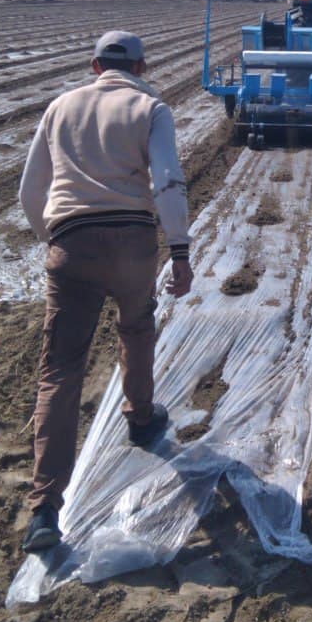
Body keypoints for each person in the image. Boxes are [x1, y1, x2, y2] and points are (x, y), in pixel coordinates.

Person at [18, 30, 194, 552]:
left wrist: (54, 239)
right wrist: (180, 251)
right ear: (141, 67)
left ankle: (44, 509)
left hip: (70, 241)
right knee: (136, 326)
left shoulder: (60, 108)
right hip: (133, 242)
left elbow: (30, 190)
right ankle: (140, 417)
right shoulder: (151, 108)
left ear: (94, 66)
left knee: (60, 369)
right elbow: (167, 181)